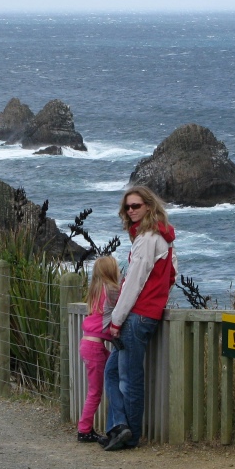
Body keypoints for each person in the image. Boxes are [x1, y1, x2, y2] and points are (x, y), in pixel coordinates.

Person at [103, 185, 177, 452]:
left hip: (136, 317)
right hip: (146, 314)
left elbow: (133, 283)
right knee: (112, 372)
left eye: (136, 206)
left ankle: (130, 436)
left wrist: (116, 320)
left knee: (128, 378)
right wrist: (160, 299)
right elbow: (172, 274)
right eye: (127, 207)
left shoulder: (147, 239)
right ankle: (119, 426)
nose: (131, 211)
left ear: (149, 205)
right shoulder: (164, 237)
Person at [78, 255, 120, 443]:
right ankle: (84, 430)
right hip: (95, 346)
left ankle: (87, 427)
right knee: (95, 391)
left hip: (89, 343)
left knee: (114, 366)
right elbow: (125, 299)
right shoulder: (111, 289)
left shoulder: (95, 290)